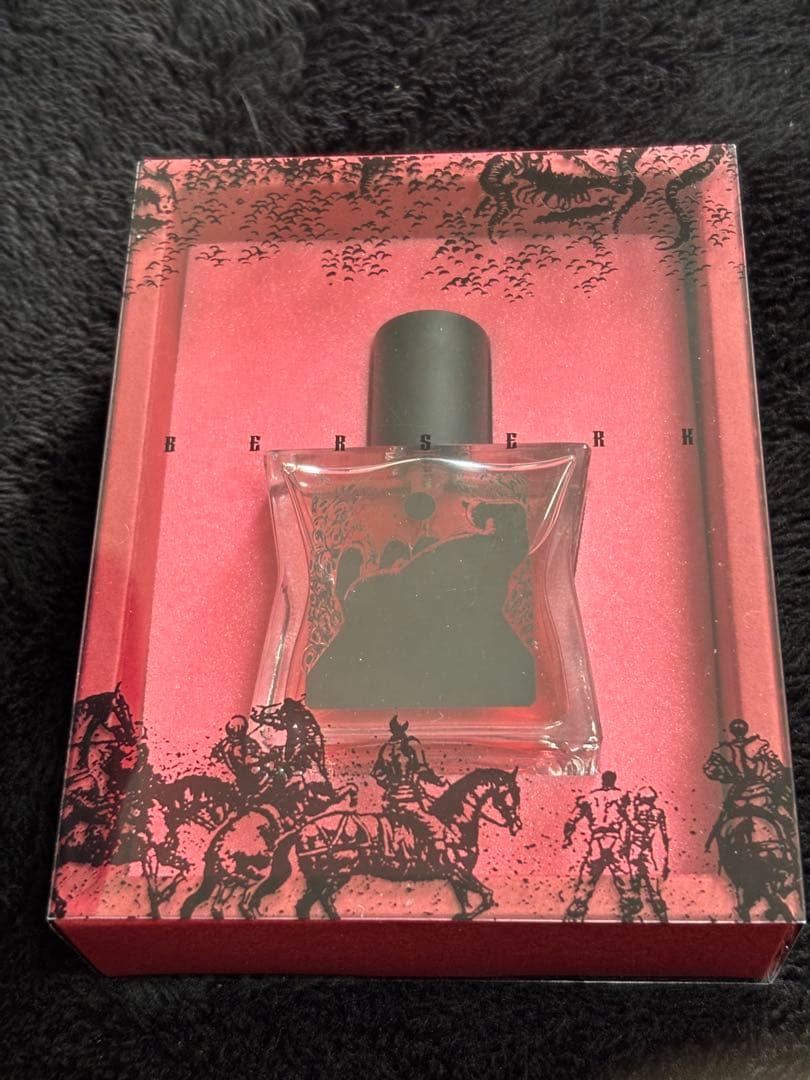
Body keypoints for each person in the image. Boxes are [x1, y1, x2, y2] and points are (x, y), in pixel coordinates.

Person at [703, 718, 795, 850]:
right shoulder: (759, 746)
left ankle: (713, 845)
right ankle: (790, 845)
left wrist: (727, 775)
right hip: (761, 792)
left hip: (738, 794)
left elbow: (711, 771)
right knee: (787, 819)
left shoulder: (725, 750)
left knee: (721, 822)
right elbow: (775, 767)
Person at [371, 716, 454, 860]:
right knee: (438, 828)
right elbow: (423, 770)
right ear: (404, 730)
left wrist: (390, 785)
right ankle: (436, 863)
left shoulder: (385, 748)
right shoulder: (411, 744)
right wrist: (439, 781)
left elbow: (377, 773)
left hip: (390, 801)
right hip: (409, 800)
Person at [562, 770, 639, 922]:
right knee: (623, 876)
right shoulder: (622, 796)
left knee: (589, 877)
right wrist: (629, 841)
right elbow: (631, 821)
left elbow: (571, 821)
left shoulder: (590, 797)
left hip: (597, 839)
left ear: (603, 780)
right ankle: (629, 908)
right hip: (614, 839)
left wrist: (567, 838)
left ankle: (578, 907)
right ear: (614, 780)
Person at [625, 787, 670, 922]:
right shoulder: (658, 812)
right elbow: (664, 835)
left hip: (635, 848)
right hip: (648, 850)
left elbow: (629, 830)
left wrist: (625, 846)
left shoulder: (635, 811)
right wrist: (666, 858)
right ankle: (663, 918)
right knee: (653, 888)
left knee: (634, 887)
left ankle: (628, 920)